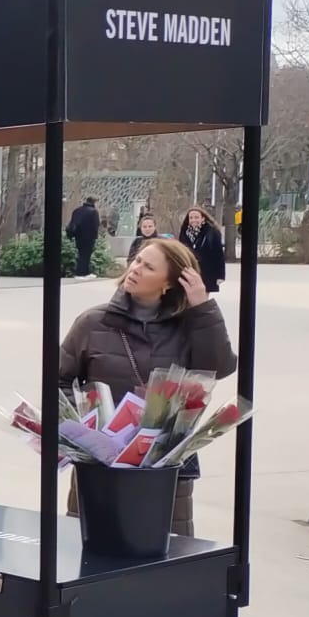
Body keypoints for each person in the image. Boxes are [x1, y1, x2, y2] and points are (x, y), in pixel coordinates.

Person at [60, 235, 234, 536]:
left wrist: (202, 309)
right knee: (87, 550)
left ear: (169, 282)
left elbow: (217, 368)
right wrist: (85, 431)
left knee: (166, 550)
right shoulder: (93, 322)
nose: (136, 268)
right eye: (137, 261)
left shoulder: (189, 326)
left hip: (166, 463)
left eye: (148, 267)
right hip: (100, 463)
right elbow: (60, 380)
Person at [178, 206, 226, 294]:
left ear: (203, 218)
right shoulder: (184, 232)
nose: (193, 220)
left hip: (207, 272)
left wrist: (220, 275)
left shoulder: (212, 232)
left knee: (202, 299)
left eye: (196, 217)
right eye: (191, 218)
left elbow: (218, 254)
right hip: (189, 270)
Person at [69, 196, 101, 279]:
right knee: (86, 255)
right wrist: (95, 237)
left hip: (78, 236)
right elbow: (95, 226)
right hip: (89, 237)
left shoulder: (77, 210)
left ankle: (85, 272)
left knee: (81, 254)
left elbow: (72, 223)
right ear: (94, 202)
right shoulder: (93, 212)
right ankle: (81, 273)